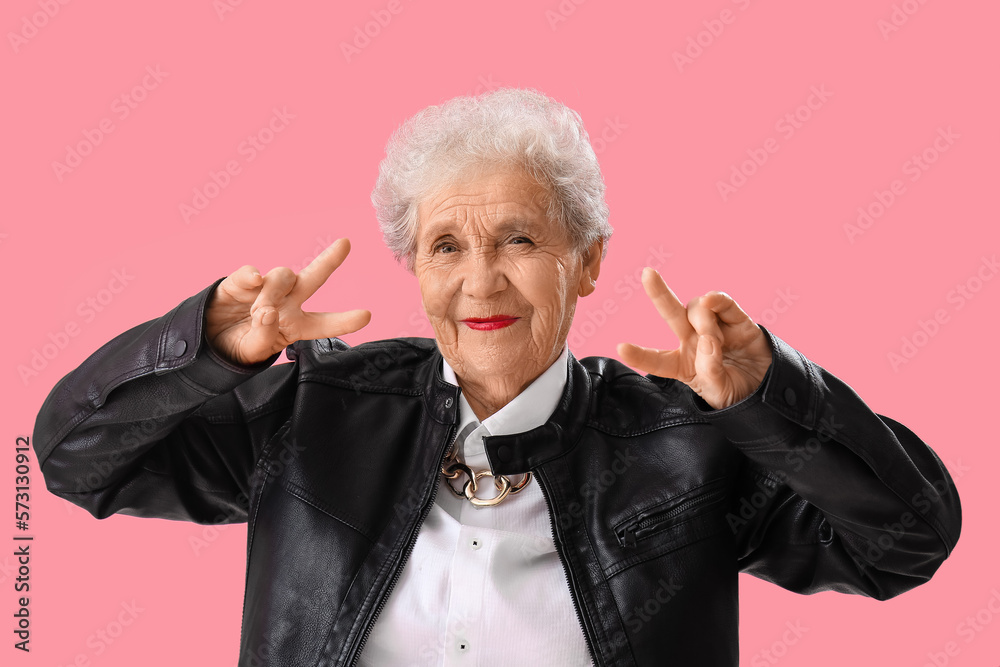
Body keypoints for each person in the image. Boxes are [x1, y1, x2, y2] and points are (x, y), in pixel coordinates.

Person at [32, 88, 961, 666]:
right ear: (415, 267)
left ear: (586, 262)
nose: (481, 280)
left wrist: (771, 399)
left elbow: (906, 541)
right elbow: (77, 457)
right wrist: (202, 351)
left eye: (520, 237)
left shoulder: (687, 441)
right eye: (446, 245)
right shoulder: (310, 412)